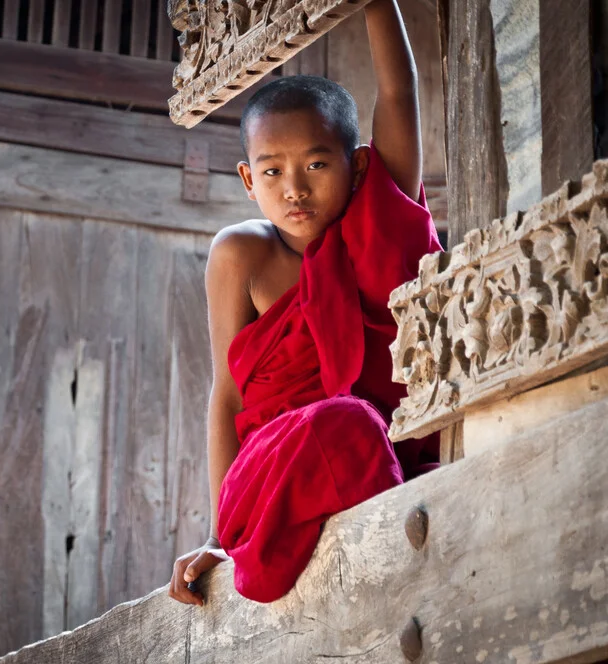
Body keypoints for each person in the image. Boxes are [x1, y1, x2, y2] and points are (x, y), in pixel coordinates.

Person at [168, 0, 442, 606]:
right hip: (277, 472)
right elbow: (228, 396)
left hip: (381, 461)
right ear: (247, 179)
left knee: (412, 447)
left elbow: (398, 92)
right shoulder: (242, 254)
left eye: (317, 163)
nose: (294, 188)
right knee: (349, 423)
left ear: (358, 163)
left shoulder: (378, 220)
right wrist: (220, 533)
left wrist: (376, 6)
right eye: (272, 171)